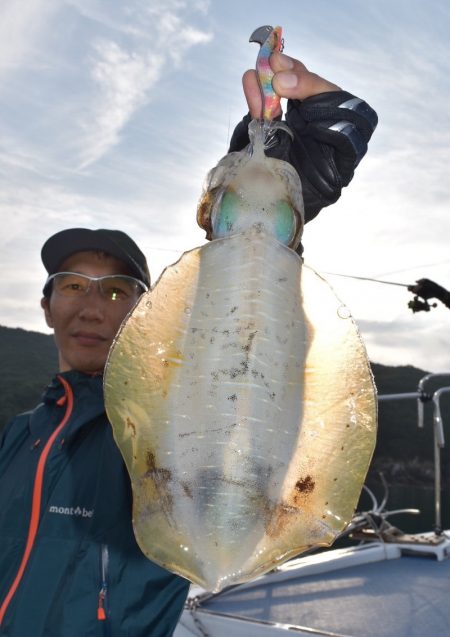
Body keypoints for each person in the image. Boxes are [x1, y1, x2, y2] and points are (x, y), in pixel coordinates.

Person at [0, 53, 377, 637]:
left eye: (118, 289)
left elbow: (246, 321)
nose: (92, 305)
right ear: (45, 306)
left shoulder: (144, 429)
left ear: (152, 312)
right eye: (72, 286)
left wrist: (296, 172)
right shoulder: (13, 440)